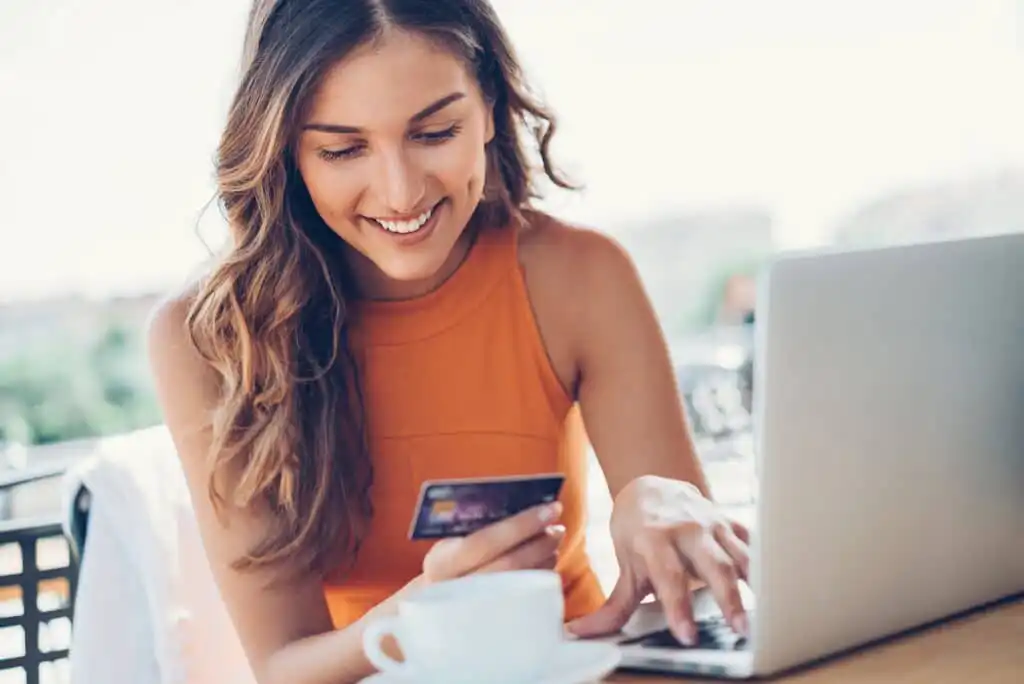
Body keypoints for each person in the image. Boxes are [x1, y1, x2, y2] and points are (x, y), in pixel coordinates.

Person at [146, 1, 751, 682]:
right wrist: (434, 609)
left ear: (488, 107)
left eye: (435, 132)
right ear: (286, 148)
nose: (400, 193)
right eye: (343, 150)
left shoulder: (578, 275)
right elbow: (284, 667)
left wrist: (659, 503)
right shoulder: (210, 341)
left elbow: (698, 591)